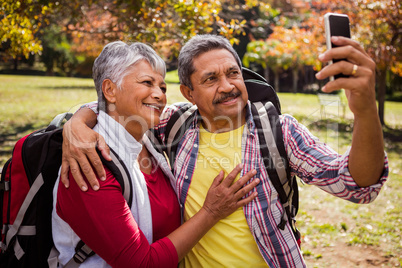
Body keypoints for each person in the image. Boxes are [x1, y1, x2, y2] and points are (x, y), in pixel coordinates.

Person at [61, 35, 388, 267]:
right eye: (211, 79)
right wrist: (76, 124)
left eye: (233, 73)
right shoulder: (174, 126)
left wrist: (364, 112)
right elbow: (116, 107)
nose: (228, 85)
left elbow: (357, 184)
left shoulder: (279, 132)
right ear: (189, 93)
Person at [52, 40, 260, 267]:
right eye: (147, 83)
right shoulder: (89, 164)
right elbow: (142, 264)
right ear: (110, 90)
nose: (159, 95)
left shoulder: (151, 138)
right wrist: (211, 212)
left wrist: (79, 120)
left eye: (162, 87)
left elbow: (101, 106)